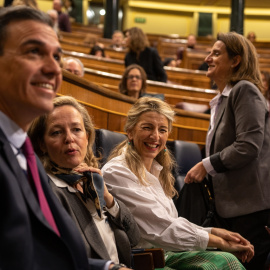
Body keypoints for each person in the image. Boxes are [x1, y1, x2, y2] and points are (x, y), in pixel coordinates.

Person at [0, 6, 127, 270]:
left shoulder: (24, 154)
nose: (52, 68)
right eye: (33, 51)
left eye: (56, 56)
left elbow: (45, 255)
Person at [102, 97, 254, 270]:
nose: (155, 136)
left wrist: (213, 232)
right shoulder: (116, 171)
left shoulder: (158, 171)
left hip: (168, 253)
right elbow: (161, 229)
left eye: (162, 130)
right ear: (130, 131)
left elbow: (170, 222)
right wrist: (217, 241)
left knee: (226, 261)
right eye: (147, 127)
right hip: (144, 260)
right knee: (225, 262)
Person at [184, 32, 270, 269]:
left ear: (235, 60)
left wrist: (205, 164)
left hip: (250, 210)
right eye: (209, 52)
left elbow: (248, 146)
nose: (208, 57)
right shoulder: (222, 98)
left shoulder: (245, 90)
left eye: (216, 53)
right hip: (231, 208)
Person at [28, 96, 140, 268]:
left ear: (87, 137)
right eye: (57, 132)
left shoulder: (92, 181)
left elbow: (134, 237)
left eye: (76, 130)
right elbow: (55, 259)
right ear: (42, 144)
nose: (69, 138)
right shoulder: (47, 191)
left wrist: (108, 198)